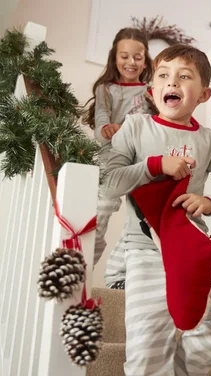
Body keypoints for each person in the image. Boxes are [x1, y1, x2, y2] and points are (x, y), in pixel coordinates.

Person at [103, 44, 211, 376]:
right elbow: (110, 180)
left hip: (192, 244)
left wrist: (209, 202)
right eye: (164, 76)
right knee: (148, 346)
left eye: (184, 77)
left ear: (203, 94)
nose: (173, 82)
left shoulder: (210, 140)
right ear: (151, 89)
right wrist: (155, 165)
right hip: (146, 249)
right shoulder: (136, 127)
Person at [82, 27, 156, 285]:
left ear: (145, 60)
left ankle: (122, 278)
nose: (131, 62)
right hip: (112, 158)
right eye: (125, 56)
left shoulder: (150, 90)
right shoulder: (106, 89)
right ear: (115, 57)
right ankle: (81, 276)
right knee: (100, 213)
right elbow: (101, 129)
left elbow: (157, 126)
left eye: (138, 57)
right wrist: (108, 130)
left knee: (141, 220)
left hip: (140, 160)